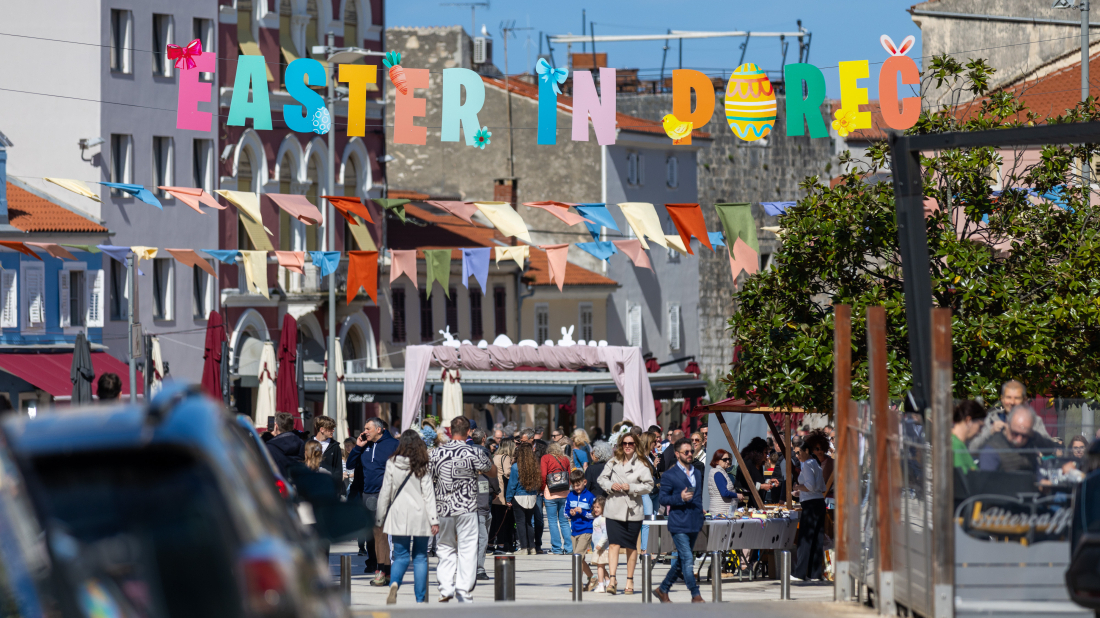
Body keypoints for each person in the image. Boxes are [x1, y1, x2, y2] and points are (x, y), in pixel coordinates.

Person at [429, 417, 495, 602]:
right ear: (469, 432)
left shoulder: (437, 453)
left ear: (450, 430)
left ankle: (446, 588)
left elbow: (427, 478)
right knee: (467, 548)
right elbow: (492, 472)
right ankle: (464, 590)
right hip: (467, 508)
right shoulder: (473, 452)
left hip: (443, 508)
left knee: (445, 547)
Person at [377, 429, 439, 605]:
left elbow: (385, 492)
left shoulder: (392, 463)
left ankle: (395, 582)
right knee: (420, 557)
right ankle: (420, 600)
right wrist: (434, 519)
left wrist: (380, 517)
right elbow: (429, 494)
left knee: (400, 556)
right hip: (420, 514)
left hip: (398, 513)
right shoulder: (423, 463)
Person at [597, 432, 654, 595]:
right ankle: (613, 579)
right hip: (614, 508)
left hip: (633, 509)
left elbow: (649, 485)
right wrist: (610, 485)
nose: (627, 446)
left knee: (630, 546)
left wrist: (633, 488)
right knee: (613, 544)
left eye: (631, 443)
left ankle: (630, 579)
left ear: (636, 445)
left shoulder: (642, 464)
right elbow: (601, 479)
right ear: (621, 445)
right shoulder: (613, 461)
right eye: (624, 443)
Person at [653, 438, 706, 603]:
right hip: (679, 523)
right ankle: (695, 595)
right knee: (688, 558)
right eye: (686, 452)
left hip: (694, 521)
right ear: (677, 454)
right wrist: (680, 498)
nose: (690, 454)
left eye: (691, 451)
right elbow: (663, 498)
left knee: (683, 559)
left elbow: (697, 496)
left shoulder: (697, 472)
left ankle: (662, 589)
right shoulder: (670, 475)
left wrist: (701, 513)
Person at [347, 417, 399, 584]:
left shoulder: (393, 445)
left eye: (368, 428)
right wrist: (358, 447)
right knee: (377, 534)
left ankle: (383, 571)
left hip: (387, 494)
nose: (365, 431)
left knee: (382, 533)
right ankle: (383, 570)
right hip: (368, 494)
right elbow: (349, 465)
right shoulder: (364, 445)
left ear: (379, 429)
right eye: (364, 428)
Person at [970, 380, 1051, 453]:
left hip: (1026, 467)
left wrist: (1030, 433)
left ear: (1024, 400)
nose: (1012, 402)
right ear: (1002, 399)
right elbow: (972, 448)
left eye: (1017, 398)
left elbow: (1049, 449)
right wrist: (990, 432)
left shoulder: (1034, 421)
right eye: (1008, 397)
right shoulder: (991, 419)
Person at [791, 432, 828, 581]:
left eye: (799, 453)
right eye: (796, 453)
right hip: (818, 503)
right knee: (817, 539)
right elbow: (821, 487)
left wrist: (798, 487)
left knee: (805, 539)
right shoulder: (815, 464)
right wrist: (800, 492)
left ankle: (800, 573)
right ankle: (814, 573)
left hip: (811, 505)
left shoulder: (807, 464)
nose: (797, 456)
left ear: (806, 451)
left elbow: (811, 486)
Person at [979, 405, 1059, 473]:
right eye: (1015, 434)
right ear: (1007, 425)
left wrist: (1034, 436)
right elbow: (986, 484)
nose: (1019, 440)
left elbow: (1049, 450)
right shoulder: (993, 449)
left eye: (1024, 435)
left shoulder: (1030, 441)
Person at [469, 428, 495, 581]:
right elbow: (492, 474)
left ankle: (472, 567)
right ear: (484, 438)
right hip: (481, 501)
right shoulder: (484, 452)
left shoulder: (466, 451)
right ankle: (478, 568)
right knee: (483, 537)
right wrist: (496, 489)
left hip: (470, 502)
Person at [505, 443, 540, 554]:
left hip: (519, 496)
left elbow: (512, 485)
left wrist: (508, 498)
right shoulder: (535, 466)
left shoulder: (516, 467)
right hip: (532, 496)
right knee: (529, 522)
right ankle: (532, 547)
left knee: (520, 522)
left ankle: (524, 548)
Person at [566, 468, 597, 591]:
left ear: (584, 482)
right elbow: (565, 512)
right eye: (574, 485)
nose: (576, 488)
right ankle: (592, 577)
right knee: (579, 557)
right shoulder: (570, 495)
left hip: (586, 529)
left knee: (577, 556)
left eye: (578, 485)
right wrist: (571, 513)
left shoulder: (590, 496)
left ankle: (577, 583)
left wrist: (583, 512)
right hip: (575, 530)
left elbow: (595, 513)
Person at [541, 441, 574, 554]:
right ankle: (569, 548)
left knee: (552, 521)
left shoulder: (546, 458)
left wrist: (542, 488)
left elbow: (543, 475)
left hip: (550, 493)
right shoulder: (565, 459)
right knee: (564, 521)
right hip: (564, 493)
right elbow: (569, 475)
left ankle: (557, 548)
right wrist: (567, 488)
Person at [635, 432, 660, 555]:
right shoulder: (640, 458)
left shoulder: (650, 455)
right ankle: (645, 549)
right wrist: (654, 467)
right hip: (645, 492)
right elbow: (643, 476)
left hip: (654, 491)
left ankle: (651, 547)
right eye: (654, 442)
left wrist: (655, 466)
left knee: (653, 519)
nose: (656, 444)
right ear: (648, 442)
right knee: (647, 520)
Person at [491, 438, 516, 554]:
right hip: (502, 492)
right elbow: (507, 473)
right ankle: (501, 545)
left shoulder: (495, 456)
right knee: (502, 520)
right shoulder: (505, 458)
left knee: (494, 520)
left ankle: (490, 544)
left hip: (494, 492)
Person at [735, 437, 778, 501]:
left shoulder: (758, 465)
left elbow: (758, 481)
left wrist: (768, 482)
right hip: (747, 504)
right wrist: (762, 486)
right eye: (765, 452)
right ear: (758, 453)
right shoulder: (746, 464)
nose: (767, 455)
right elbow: (743, 484)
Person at [266, 412, 304, 478]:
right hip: (298, 481)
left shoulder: (271, 446)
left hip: (279, 482)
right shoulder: (301, 443)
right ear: (292, 427)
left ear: (276, 426)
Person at [952, 400, 988, 472]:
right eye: (980, 426)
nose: (980, 432)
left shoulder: (957, 443)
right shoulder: (956, 445)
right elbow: (963, 478)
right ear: (968, 421)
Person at [708, 449, 742, 515]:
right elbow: (724, 492)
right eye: (724, 459)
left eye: (728, 459)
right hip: (720, 512)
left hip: (723, 511)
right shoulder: (718, 473)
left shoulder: (721, 472)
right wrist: (737, 495)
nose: (727, 461)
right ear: (717, 461)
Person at [590, 496, 610, 592]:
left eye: (598, 507)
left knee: (600, 566)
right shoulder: (598, 518)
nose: (595, 509)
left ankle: (601, 585)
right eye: (594, 507)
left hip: (602, 548)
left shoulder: (603, 519)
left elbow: (605, 533)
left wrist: (600, 544)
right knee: (601, 566)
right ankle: (608, 582)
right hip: (598, 547)